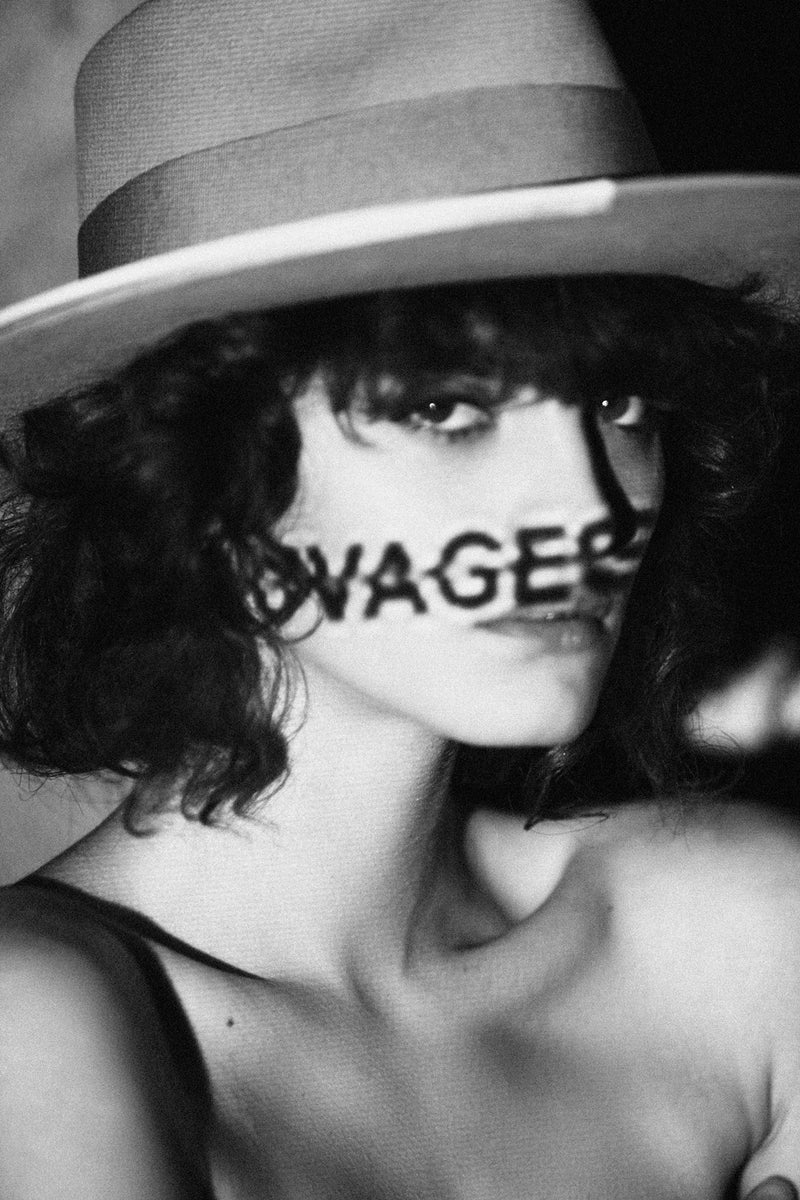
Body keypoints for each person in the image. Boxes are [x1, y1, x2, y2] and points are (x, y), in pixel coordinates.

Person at [0, 0, 799, 1197]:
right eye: (442, 407)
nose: (584, 503)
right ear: (191, 472)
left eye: (616, 400)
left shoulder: (737, 932)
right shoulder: (40, 1023)